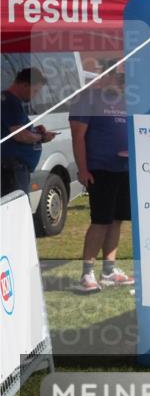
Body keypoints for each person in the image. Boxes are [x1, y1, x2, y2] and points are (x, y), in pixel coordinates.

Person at [69, 68, 134, 292]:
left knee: (117, 220)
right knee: (101, 221)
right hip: (100, 169)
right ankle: (87, 273)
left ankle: (109, 271)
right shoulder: (86, 98)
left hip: (124, 167)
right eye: (120, 77)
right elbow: (77, 135)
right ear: (105, 75)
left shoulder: (125, 100)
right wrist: (83, 169)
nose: (123, 82)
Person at [1, 68, 56, 197]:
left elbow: (14, 130)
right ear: (25, 85)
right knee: (17, 206)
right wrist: (41, 137)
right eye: (35, 91)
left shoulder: (9, 100)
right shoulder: (10, 102)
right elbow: (19, 135)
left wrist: (33, 130)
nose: (35, 95)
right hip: (12, 169)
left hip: (13, 168)